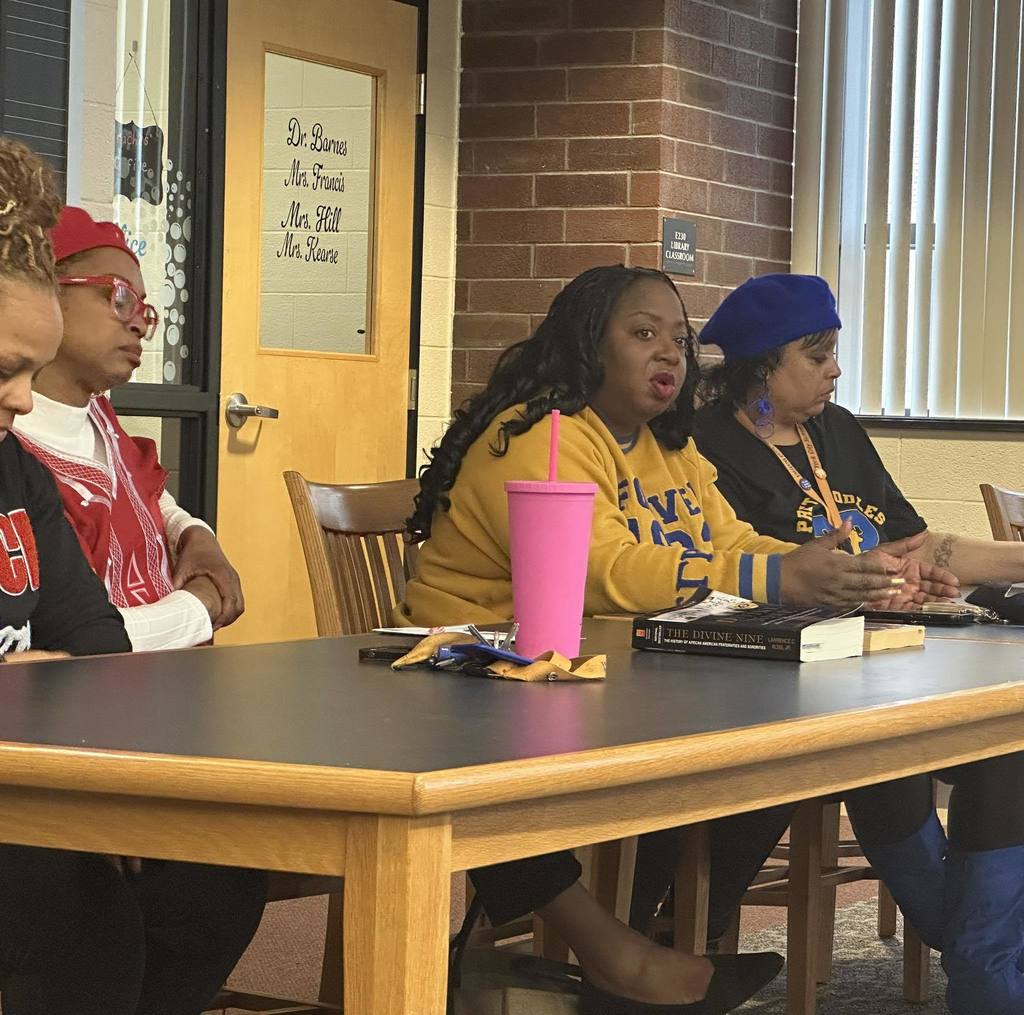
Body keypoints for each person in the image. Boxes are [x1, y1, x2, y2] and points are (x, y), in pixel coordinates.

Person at [402, 265, 952, 1014]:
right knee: (691, 741)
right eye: (643, 333)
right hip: (472, 667)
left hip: (602, 666)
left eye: (681, 340)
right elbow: (604, 573)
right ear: (587, 344)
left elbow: (728, 538)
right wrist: (775, 577)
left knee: (779, 742)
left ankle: (662, 936)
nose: (669, 354)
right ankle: (624, 955)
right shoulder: (541, 436)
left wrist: (827, 569)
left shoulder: (669, 447)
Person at [694, 272, 1024, 1015]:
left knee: (1007, 741)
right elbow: (721, 580)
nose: (834, 370)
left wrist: (941, 572)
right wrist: (857, 583)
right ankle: (989, 969)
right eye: (817, 355)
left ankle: (987, 966)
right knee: (891, 749)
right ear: (760, 369)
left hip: (883, 656)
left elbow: (921, 545)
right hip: (778, 677)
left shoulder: (833, 429)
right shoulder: (705, 447)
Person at [0, 136, 265, 1015]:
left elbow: (93, 645)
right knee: (79, 922)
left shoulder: (19, 464)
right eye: (8, 370)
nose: (24, 400)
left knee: (217, 869)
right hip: (28, 791)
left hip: (51, 767)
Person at [11, 205, 243, 652]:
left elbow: (146, 497)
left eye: (145, 310)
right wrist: (199, 608)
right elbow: (67, 640)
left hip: (166, 691)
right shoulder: (14, 452)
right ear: (44, 293)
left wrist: (195, 534)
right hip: (84, 707)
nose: (138, 322)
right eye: (119, 298)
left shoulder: (97, 416)